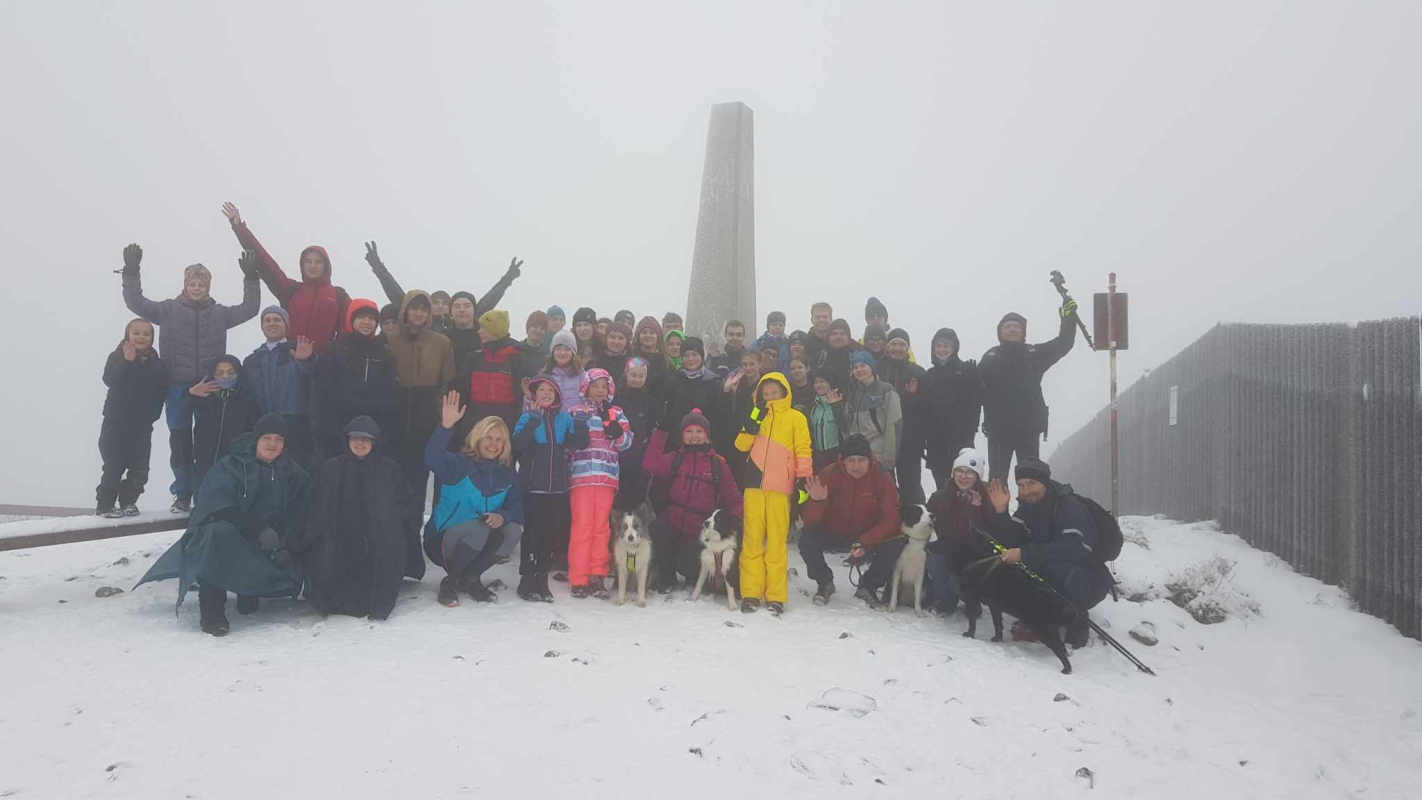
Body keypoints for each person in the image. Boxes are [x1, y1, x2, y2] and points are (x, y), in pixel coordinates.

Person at [136, 414, 310, 637]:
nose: (272, 444)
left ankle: (250, 590)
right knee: (216, 534)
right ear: (255, 440)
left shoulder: (292, 472)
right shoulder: (230, 466)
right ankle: (212, 610)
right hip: (230, 536)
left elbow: (301, 512)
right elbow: (215, 508)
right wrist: (257, 529)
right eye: (266, 437)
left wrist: (287, 543)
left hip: (271, 543)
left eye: (279, 439)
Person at [120, 244, 261, 513]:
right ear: (185, 285)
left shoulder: (220, 314)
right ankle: (183, 494)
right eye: (193, 283)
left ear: (208, 287)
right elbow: (135, 302)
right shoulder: (167, 310)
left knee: (209, 442)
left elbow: (250, 309)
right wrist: (131, 271)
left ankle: (209, 491)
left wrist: (251, 278)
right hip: (178, 387)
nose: (197, 288)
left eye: (201, 284)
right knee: (181, 441)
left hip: (212, 387)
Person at [298, 417, 418, 620]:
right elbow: (317, 507)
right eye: (355, 438)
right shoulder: (331, 468)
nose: (360, 443)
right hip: (340, 539)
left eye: (366, 439)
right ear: (347, 440)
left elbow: (406, 504)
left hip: (377, 542)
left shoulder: (389, 468)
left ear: (375, 442)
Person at [985, 458, 1111, 647]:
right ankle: (1037, 617)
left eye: (1032, 483)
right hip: (1057, 570)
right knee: (1009, 569)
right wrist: (1001, 510)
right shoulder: (1026, 508)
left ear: (1044, 482)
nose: (1026, 490)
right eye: (1021, 485)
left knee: (1049, 567)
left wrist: (1025, 554)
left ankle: (1076, 620)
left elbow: (1074, 548)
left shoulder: (1069, 507)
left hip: (1088, 578)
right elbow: (1009, 543)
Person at [425, 397, 525, 606]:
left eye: (499, 440)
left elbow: (518, 510)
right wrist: (446, 426)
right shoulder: (459, 464)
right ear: (478, 438)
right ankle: (451, 581)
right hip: (442, 540)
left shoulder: (507, 473)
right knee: (479, 527)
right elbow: (432, 458)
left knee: (513, 529)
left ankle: (470, 578)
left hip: (479, 539)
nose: (493, 444)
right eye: (488, 438)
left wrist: (503, 516)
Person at [221, 203, 350, 354]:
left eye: (318, 262)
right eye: (308, 261)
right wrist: (239, 228)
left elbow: (346, 333)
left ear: (326, 266)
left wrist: (333, 355)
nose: (313, 266)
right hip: (290, 362)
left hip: (323, 365)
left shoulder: (338, 295)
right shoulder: (291, 290)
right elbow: (266, 262)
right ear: (302, 265)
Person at [734, 372, 812, 615]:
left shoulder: (796, 417)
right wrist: (750, 427)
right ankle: (750, 592)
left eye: (773, 392)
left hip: (781, 486)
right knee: (752, 540)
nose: (769, 396)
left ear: (784, 392)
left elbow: (803, 449)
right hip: (754, 484)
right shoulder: (757, 414)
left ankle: (776, 595)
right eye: (764, 393)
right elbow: (740, 446)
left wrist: (802, 480)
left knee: (777, 542)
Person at [643, 410, 743, 591]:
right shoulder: (676, 458)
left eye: (699, 431)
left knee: (691, 564)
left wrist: (738, 524)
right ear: (682, 435)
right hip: (673, 525)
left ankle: (693, 574)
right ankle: (667, 577)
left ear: (707, 435)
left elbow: (734, 499)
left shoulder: (717, 464)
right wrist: (661, 432)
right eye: (689, 431)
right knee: (657, 528)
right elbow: (650, 464)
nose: (694, 436)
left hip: (700, 532)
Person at [979, 301, 1077, 483]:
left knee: (1031, 478)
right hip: (998, 430)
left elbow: (1064, 343)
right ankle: (996, 512)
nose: (1012, 329)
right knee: (996, 480)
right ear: (1000, 331)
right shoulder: (990, 356)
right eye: (1007, 326)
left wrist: (1068, 319)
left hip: (1028, 428)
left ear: (1023, 331)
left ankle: (1030, 512)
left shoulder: (1034, 353)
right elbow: (976, 390)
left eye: (1017, 326)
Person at [799, 435, 901, 606]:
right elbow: (810, 521)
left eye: (861, 460)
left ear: (870, 460)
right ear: (843, 461)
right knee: (807, 538)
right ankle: (824, 582)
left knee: (895, 543)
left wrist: (865, 541)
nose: (856, 465)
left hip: (867, 533)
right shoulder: (829, 474)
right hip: (834, 531)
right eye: (851, 460)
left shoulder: (882, 477)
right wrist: (817, 502)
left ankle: (868, 586)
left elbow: (891, 519)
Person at [511, 377, 589, 602]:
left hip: (557, 487)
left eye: (550, 390)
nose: (545, 393)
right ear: (534, 395)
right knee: (532, 533)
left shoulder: (564, 417)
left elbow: (580, 443)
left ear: (557, 394)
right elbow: (517, 445)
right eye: (541, 390)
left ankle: (542, 577)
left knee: (551, 534)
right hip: (533, 485)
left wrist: (582, 422)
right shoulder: (527, 416)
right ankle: (527, 578)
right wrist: (533, 421)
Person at [385, 290, 456, 536]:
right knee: (392, 484)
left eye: (423, 309)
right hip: (393, 420)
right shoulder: (390, 339)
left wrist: (437, 413)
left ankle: (413, 546)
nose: (419, 313)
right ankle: (392, 543)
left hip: (425, 421)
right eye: (414, 308)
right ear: (405, 310)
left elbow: (448, 382)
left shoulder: (441, 343)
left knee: (417, 485)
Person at [565, 369, 633, 599]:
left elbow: (626, 443)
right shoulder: (574, 411)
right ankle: (579, 577)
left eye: (604, 387)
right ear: (586, 387)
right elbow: (568, 443)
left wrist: (615, 431)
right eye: (596, 386)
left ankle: (597, 574)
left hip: (606, 477)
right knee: (582, 525)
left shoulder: (617, 412)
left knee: (601, 527)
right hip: (582, 477)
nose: (600, 391)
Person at [96, 320, 168, 517]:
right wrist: (126, 361)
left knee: (140, 467)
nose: (141, 337)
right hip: (116, 422)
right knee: (114, 465)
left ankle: (128, 501)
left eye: (146, 334)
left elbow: (162, 392)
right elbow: (109, 380)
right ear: (128, 335)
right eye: (136, 333)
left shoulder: (158, 364)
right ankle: (105, 505)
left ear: (152, 338)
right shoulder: (117, 356)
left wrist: (153, 415)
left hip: (142, 425)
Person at [314, 300, 396, 461]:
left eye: (372, 319)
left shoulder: (384, 353)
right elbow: (325, 386)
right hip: (338, 424)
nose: (367, 322)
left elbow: (389, 387)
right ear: (351, 320)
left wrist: (373, 408)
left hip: (373, 424)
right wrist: (350, 404)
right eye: (361, 317)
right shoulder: (334, 349)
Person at [361, 239, 523, 318]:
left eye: (444, 303)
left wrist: (507, 280)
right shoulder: (421, 323)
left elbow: (486, 303)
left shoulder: (462, 324)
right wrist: (378, 267)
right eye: (435, 302)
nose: (440, 306)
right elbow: (397, 296)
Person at [244, 306, 316, 467]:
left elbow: (313, 377)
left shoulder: (297, 352)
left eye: (277, 319)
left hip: (296, 424)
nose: (272, 323)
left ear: (287, 325)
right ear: (262, 326)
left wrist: (306, 360)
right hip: (263, 423)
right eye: (267, 320)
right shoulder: (252, 360)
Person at [924, 447, 990, 615]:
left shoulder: (988, 498)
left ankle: (972, 602)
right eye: (959, 471)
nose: (963, 476)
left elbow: (988, 532)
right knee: (934, 562)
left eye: (969, 472)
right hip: (947, 550)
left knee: (956, 581)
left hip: (973, 556)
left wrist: (976, 509)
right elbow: (926, 521)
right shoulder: (939, 497)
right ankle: (945, 600)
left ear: (978, 476)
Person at [187, 354, 260, 494]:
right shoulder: (204, 396)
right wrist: (191, 393)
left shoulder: (248, 399)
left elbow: (252, 432)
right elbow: (182, 409)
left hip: (235, 463)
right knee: (202, 503)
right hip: (205, 461)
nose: (225, 376)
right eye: (220, 373)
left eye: (231, 372)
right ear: (213, 374)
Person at [923, 328, 982, 488]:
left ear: (954, 348)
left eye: (946, 346)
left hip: (961, 439)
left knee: (966, 484)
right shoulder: (929, 375)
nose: (941, 349)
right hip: (936, 442)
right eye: (938, 346)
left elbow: (976, 403)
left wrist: (971, 430)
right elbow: (924, 409)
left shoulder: (966, 371)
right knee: (942, 486)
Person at [455, 309, 525, 433]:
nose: (479, 331)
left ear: (495, 331)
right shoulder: (474, 358)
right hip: (473, 426)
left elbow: (521, 399)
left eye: (483, 327)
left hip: (504, 428)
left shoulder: (517, 360)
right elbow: (462, 393)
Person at [880, 328, 929, 504]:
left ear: (907, 348)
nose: (897, 348)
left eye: (902, 344)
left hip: (910, 437)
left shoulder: (918, 372)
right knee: (885, 482)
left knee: (911, 483)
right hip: (883, 435)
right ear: (887, 346)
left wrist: (913, 397)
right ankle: (891, 519)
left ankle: (916, 522)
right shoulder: (878, 368)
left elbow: (926, 407)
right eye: (893, 344)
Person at [658, 336, 727, 453]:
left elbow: (720, 416)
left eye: (695, 354)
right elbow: (667, 413)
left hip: (706, 446)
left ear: (701, 356)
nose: (690, 359)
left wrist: (727, 393)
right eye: (686, 355)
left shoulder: (714, 381)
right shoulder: (673, 381)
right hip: (678, 446)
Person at [840, 351, 903, 478]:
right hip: (856, 459)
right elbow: (847, 428)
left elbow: (894, 426)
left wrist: (888, 463)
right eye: (855, 367)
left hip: (878, 457)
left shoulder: (886, 390)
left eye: (863, 365)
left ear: (872, 367)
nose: (859, 370)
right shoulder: (853, 393)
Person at [613, 358, 657, 511]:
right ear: (626, 375)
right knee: (617, 501)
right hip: (619, 457)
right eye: (633, 375)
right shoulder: (616, 398)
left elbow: (652, 430)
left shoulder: (650, 401)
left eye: (641, 376)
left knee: (637, 500)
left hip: (640, 457)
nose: (637, 379)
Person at [807, 370, 847, 472]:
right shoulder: (812, 406)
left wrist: (836, 406)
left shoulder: (841, 401)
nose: (818, 385)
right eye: (816, 382)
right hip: (818, 456)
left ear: (830, 383)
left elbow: (845, 426)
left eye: (822, 381)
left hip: (836, 454)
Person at [540, 329, 585, 414]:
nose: (562, 352)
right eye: (558, 348)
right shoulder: (545, 375)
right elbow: (535, 406)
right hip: (552, 423)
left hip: (576, 423)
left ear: (573, 352)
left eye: (567, 349)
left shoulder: (582, 375)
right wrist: (529, 397)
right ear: (553, 351)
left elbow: (589, 402)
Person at [862, 297, 917, 363]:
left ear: (885, 318)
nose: (875, 318)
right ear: (867, 320)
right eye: (871, 316)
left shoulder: (899, 340)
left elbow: (911, 364)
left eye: (879, 315)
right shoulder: (861, 342)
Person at [445, 291, 483, 375]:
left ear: (474, 310)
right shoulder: (443, 338)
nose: (461, 310)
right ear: (451, 311)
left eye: (467, 306)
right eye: (457, 306)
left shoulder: (485, 338)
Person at [818, 318, 860, 385]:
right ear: (829, 337)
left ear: (848, 337)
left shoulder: (858, 354)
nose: (838, 336)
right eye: (834, 333)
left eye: (842, 333)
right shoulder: (820, 356)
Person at [632, 316, 668, 390]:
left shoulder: (665, 361)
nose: (648, 335)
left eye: (652, 332)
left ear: (658, 336)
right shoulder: (630, 358)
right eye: (644, 332)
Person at [520, 310, 550, 379]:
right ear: (528, 327)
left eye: (542, 328)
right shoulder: (516, 350)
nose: (538, 330)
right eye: (535, 327)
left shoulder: (548, 355)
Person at [804, 302, 833, 368]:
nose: (821, 320)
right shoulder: (804, 343)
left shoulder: (838, 342)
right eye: (817, 317)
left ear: (831, 319)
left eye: (825, 317)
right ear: (812, 320)